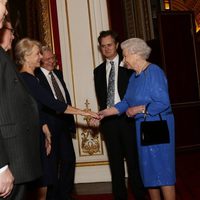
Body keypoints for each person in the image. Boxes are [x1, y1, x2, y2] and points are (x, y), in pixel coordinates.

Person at [14, 38, 98, 200]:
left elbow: (37, 108)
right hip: (31, 136)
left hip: (38, 132)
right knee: (42, 182)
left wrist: (45, 130)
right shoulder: (27, 78)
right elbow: (52, 103)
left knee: (44, 180)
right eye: (37, 53)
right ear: (26, 56)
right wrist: (83, 112)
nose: (41, 57)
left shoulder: (31, 77)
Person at [95, 38, 176, 200]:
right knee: (148, 173)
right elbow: (125, 103)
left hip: (158, 127)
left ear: (136, 54)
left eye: (125, 57)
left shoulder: (154, 72)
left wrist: (139, 109)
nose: (123, 61)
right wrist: (104, 113)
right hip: (142, 128)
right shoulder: (134, 77)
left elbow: (163, 102)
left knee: (163, 172)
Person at [93, 30, 145, 200]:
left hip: (128, 119)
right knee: (115, 167)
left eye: (109, 45)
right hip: (109, 123)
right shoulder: (98, 71)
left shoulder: (129, 67)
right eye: (103, 46)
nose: (106, 49)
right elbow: (102, 99)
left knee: (134, 164)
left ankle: (139, 196)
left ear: (116, 45)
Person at [0, 2, 42, 200]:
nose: (6, 10)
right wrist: (1, 166)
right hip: (8, 156)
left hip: (15, 156)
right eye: (3, 3)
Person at [35, 46, 77, 200]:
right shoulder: (36, 77)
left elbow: (65, 99)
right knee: (51, 164)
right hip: (48, 126)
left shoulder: (58, 74)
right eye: (47, 59)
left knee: (69, 160)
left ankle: (65, 195)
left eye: (53, 58)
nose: (51, 61)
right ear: (40, 61)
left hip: (64, 124)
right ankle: (52, 197)